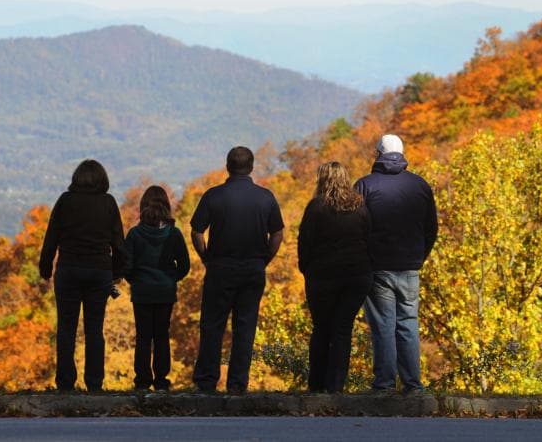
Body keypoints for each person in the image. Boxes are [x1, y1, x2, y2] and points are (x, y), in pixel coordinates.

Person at [190, 146, 284, 394]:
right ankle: (237, 383)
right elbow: (277, 233)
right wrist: (265, 259)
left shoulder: (213, 196)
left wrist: (205, 257)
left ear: (228, 166)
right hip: (253, 268)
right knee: (245, 326)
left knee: (212, 325)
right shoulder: (265, 197)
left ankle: (207, 381)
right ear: (251, 167)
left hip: (220, 266)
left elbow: (197, 231)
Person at [354, 134, 438, 393]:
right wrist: (418, 256)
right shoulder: (420, 185)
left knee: (383, 326)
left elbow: (355, 227)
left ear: (378, 154)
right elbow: (431, 228)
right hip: (410, 266)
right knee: (408, 323)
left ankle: (384, 384)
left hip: (377, 266)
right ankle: (413, 384)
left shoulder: (364, 186)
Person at [39, 159, 125, 392]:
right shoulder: (108, 203)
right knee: (94, 329)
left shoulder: (66, 202)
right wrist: (117, 273)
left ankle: (66, 383)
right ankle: (94, 383)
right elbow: (118, 242)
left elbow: (51, 238)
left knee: (66, 328)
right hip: (99, 271)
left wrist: (45, 268)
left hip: (69, 269)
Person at [298, 161, 373, 393]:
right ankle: (336, 385)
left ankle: (316, 384)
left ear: (322, 179)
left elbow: (305, 242)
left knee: (321, 328)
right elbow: (369, 239)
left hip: (323, 276)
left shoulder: (316, 207)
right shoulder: (359, 206)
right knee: (342, 329)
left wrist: (306, 269)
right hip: (356, 276)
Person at [123, 185, 190, 392]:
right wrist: (170, 279)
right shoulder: (174, 234)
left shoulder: (134, 234)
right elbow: (185, 265)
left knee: (143, 336)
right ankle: (161, 380)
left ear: (143, 206)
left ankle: (142, 381)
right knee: (161, 335)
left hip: (142, 292)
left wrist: (136, 280)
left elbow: (126, 266)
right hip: (165, 292)